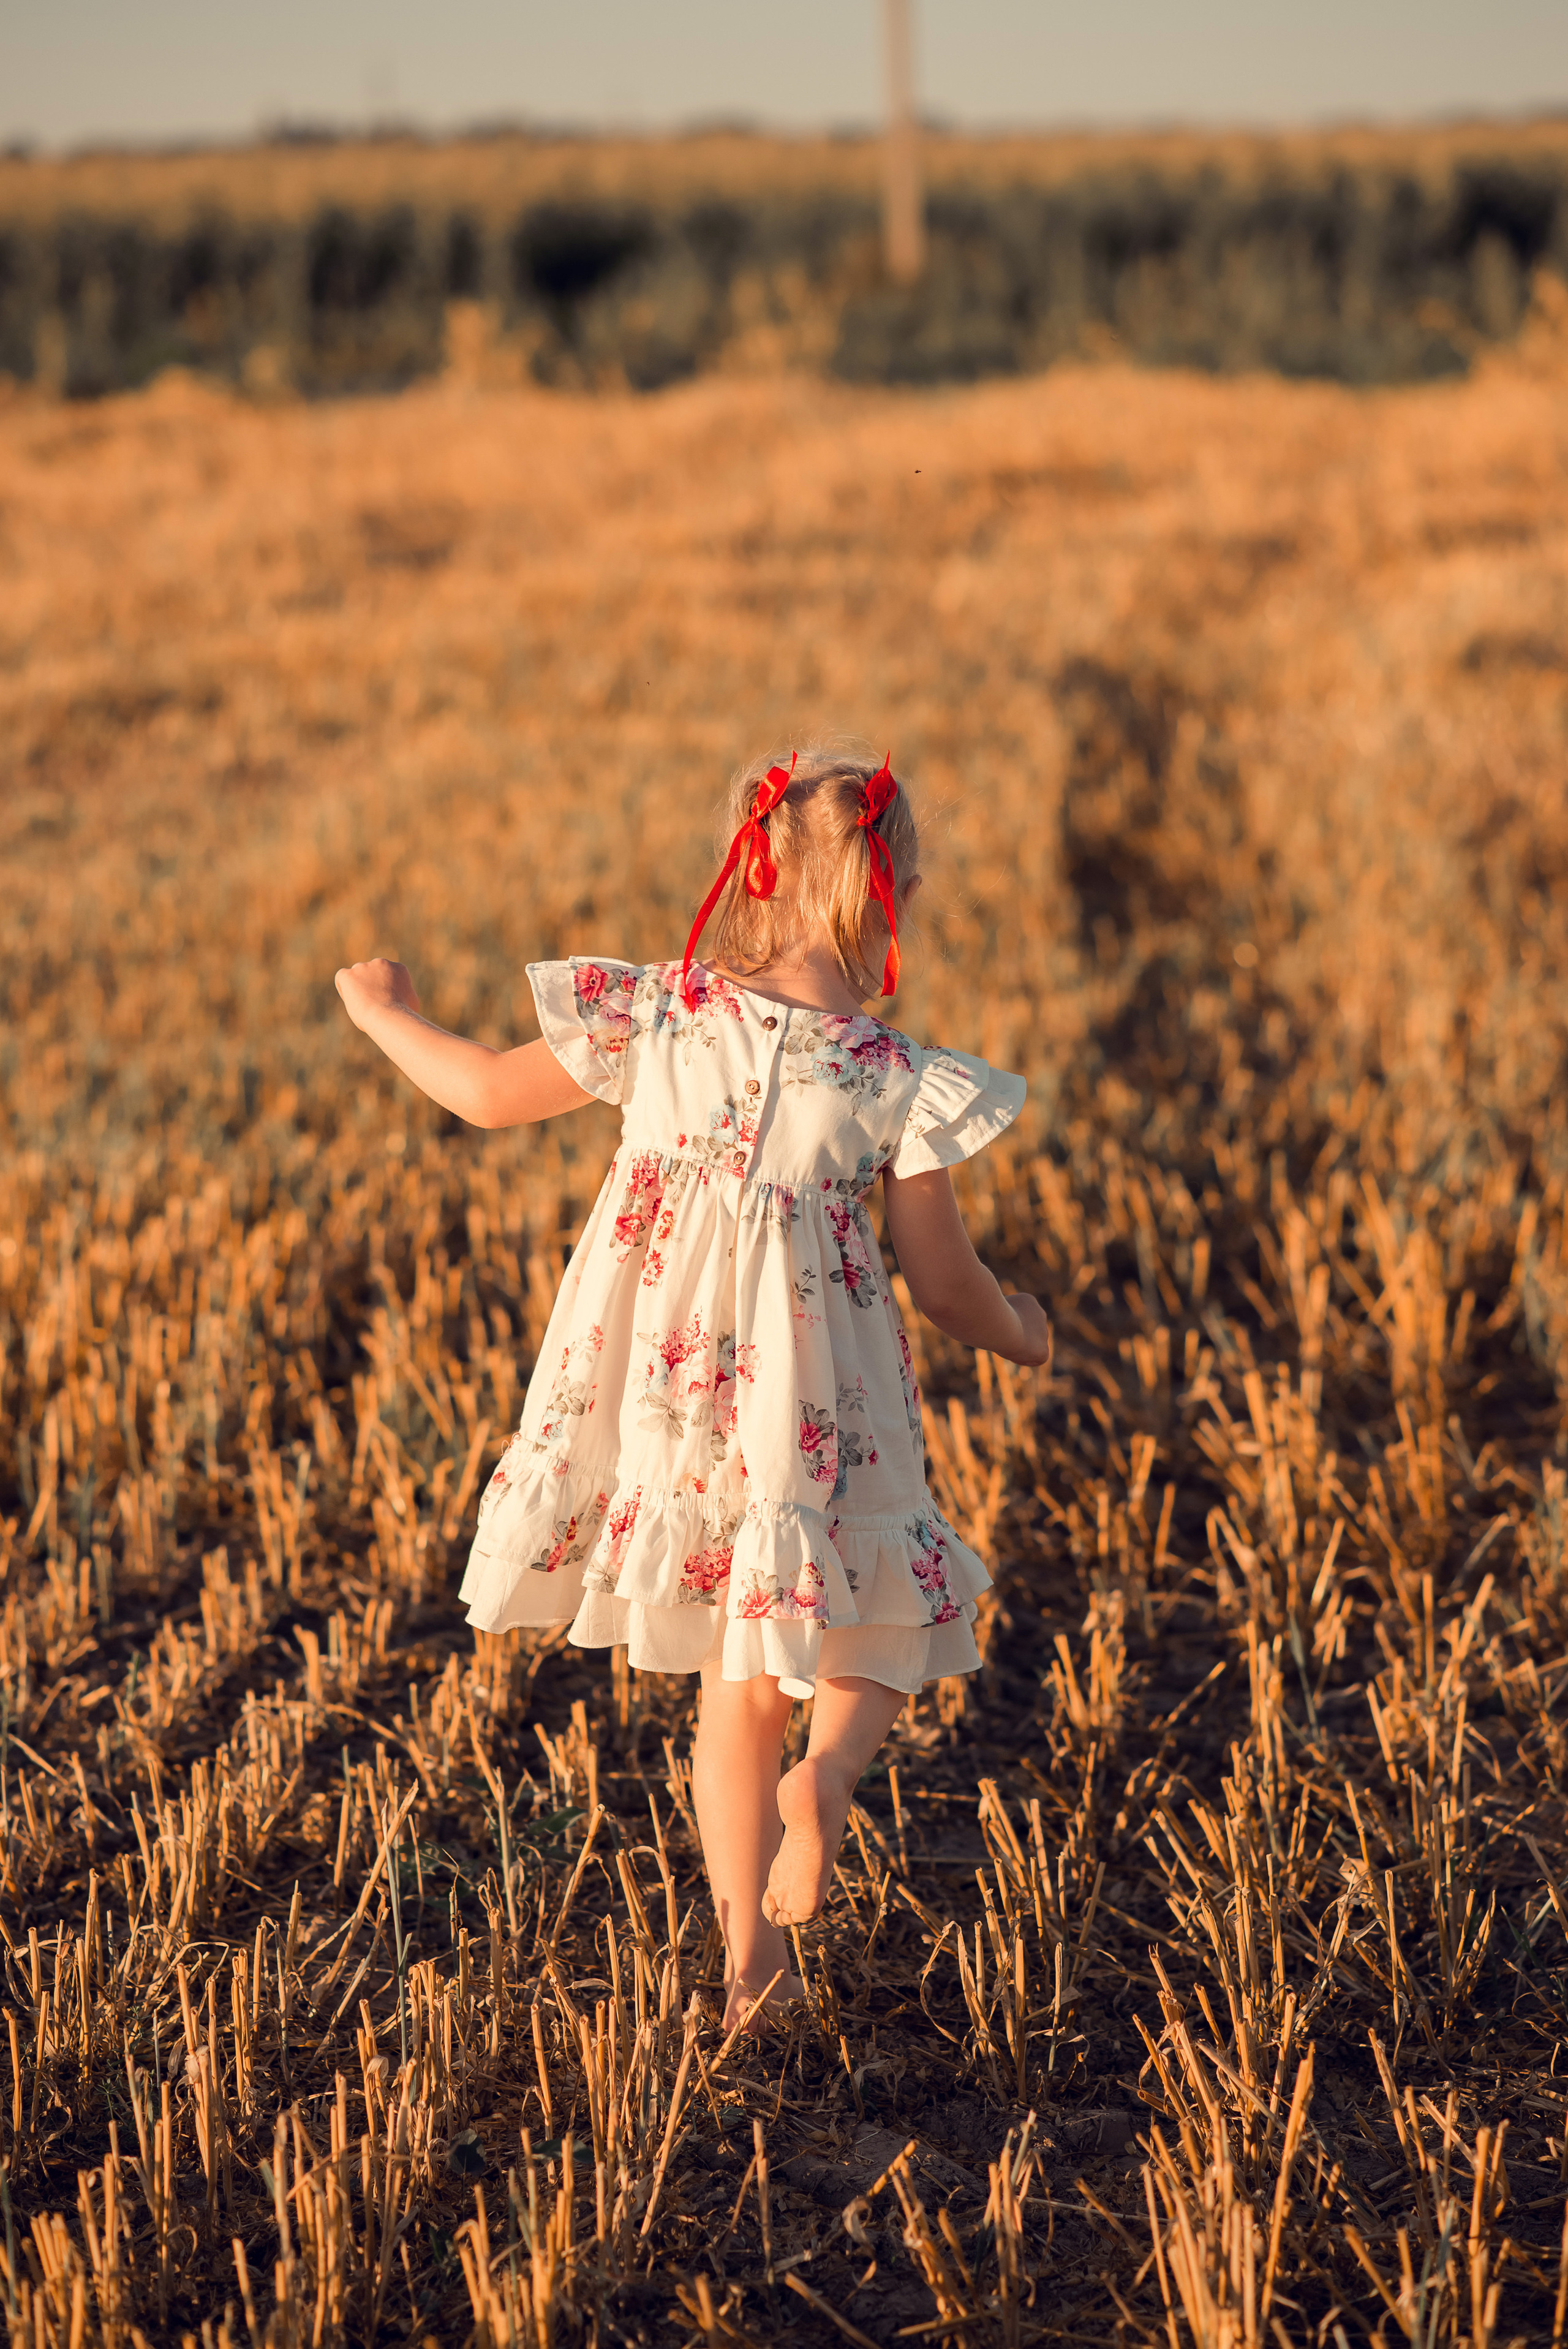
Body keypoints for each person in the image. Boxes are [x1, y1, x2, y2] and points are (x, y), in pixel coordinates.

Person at [334, 744, 1052, 2028]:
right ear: (892, 892)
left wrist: (386, 1012)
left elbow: (489, 1095)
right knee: (885, 1603)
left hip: (676, 1405)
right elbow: (944, 1285)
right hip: (823, 1409)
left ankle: (750, 1973)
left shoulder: (655, 1012)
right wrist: (1024, 1334)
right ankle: (826, 1780)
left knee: (737, 1686)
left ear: (749, 867)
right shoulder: (892, 1077)